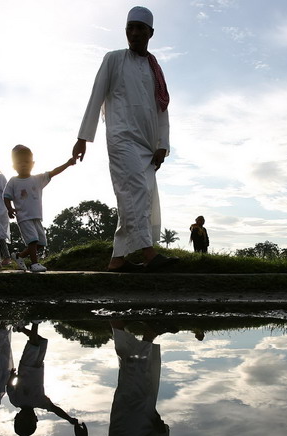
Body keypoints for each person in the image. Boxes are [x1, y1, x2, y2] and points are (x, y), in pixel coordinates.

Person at [72, 6, 176, 273]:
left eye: (140, 28)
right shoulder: (114, 59)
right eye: (130, 28)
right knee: (136, 192)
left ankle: (117, 260)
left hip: (147, 144)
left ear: (151, 32)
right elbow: (96, 96)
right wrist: (83, 137)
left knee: (136, 197)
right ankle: (149, 254)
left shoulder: (155, 68)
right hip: (121, 138)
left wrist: (162, 145)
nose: (134, 33)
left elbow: (161, 108)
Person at [3, 145, 75, 272]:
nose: (23, 164)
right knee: (33, 240)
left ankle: (19, 256)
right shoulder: (13, 181)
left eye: (26, 161)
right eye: (19, 162)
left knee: (41, 243)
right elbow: (6, 196)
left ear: (33, 164)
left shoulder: (38, 179)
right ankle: (34, 264)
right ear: (13, 166)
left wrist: (68, 163)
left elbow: (54, 172)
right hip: (23, 217)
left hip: (36, 216)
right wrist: (9, 209)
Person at [7, 322, 78, 436]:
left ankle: (35, 321)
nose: (33, 418)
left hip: (26, 367)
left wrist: (12, 377)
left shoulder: (16, 401)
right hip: (38, 366)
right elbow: (55, 409)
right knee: (41, 341)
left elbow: (9, 387)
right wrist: (69, 419)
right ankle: (21, 328)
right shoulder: (40, 402)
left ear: (17, 417)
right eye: (32, 421)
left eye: (25, 420)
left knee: (34, 344)